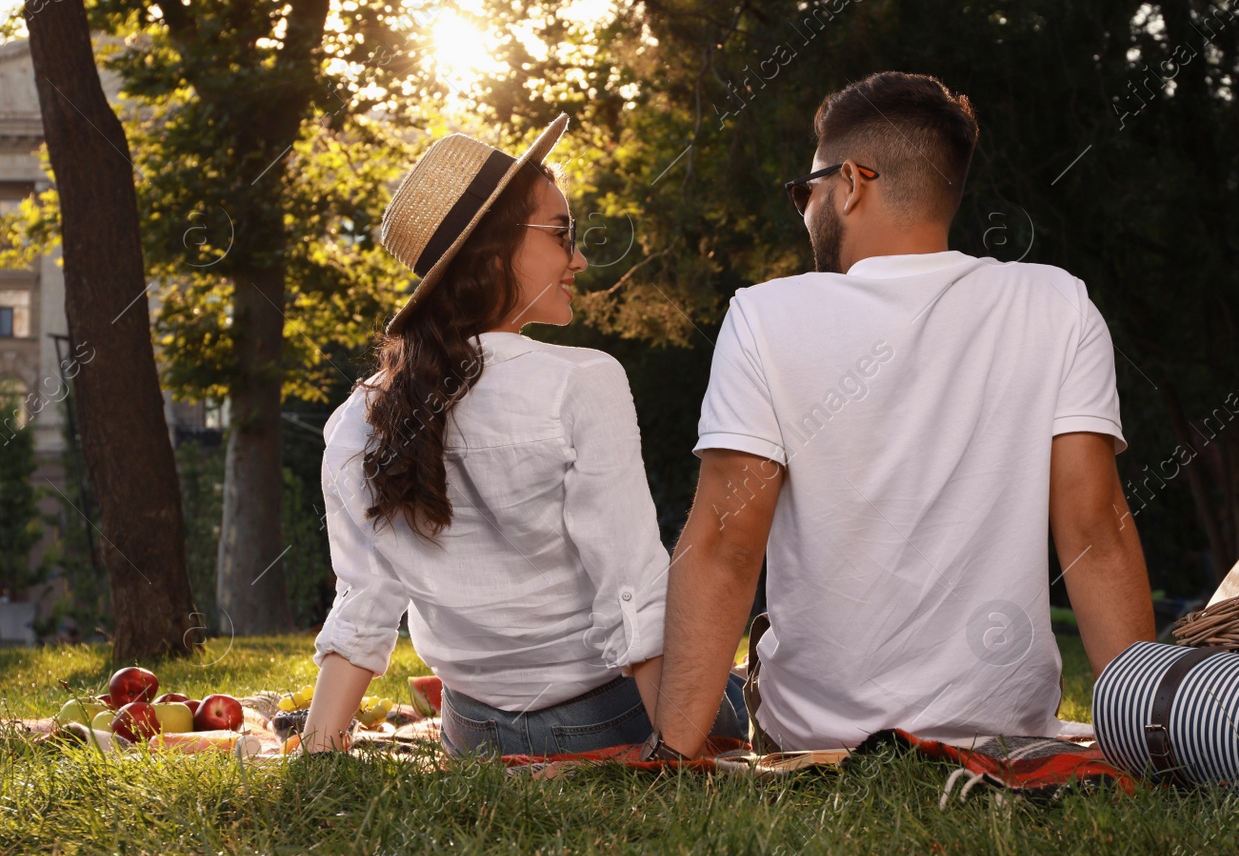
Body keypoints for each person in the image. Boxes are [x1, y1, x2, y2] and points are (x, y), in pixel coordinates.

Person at [634, 72, 1157, 760]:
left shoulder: (765, 314)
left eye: (806, 190)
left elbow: (726, 544)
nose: (805, 209)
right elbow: (1096, 530)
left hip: (818, 743)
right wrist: (1150, 742)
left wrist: (672, 753)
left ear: (851, 182)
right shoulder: (1058, 304)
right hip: (1009, 737)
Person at [300, 115, 745, 756]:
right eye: (562, 234)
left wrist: (319, 754)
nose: (579, 258)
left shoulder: (353, 422)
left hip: (474, 733)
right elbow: (632, 590)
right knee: (730, 690)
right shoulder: (582, 381)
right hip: (612, 716)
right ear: (495, 248)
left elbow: (364, 604)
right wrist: (677, 757)